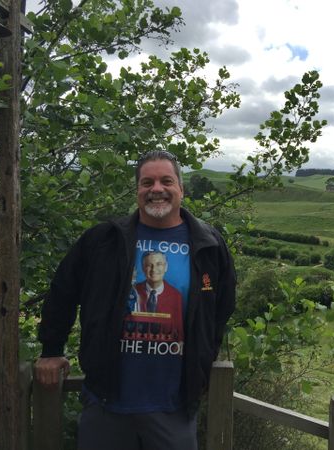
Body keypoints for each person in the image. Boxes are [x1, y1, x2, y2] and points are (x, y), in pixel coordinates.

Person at [34, 150, 236, 450]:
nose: (157, 189)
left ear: (181, 188)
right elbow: (63, 291)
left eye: (166, 181)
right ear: (137, 190)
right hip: (107, 402)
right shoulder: (103, 240)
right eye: (147, 182)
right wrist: (51, 349)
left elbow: (221, 309)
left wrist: (204, 360)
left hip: (174, 405)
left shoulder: (209, 244)